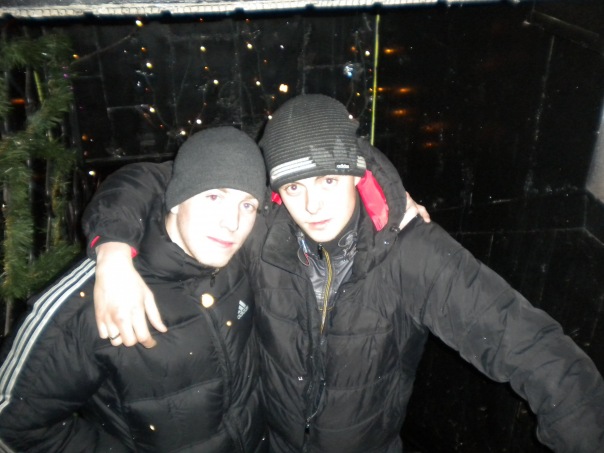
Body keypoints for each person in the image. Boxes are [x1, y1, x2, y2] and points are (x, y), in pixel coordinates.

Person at [84, 95, 604, 452]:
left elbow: (533, 348)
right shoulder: (260, 231)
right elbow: (162, 180)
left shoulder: (410, 251)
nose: (312, 205)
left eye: (329, 180)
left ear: (357, 174)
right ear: (276, 192)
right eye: (294, 187)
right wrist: (112, 252)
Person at [0, 127, 269, 452]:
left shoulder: (241, 257)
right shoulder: (100, 294)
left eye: (247, 205)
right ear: (176, 199)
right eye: (214, 196)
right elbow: (12, 423)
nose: (232, 223)